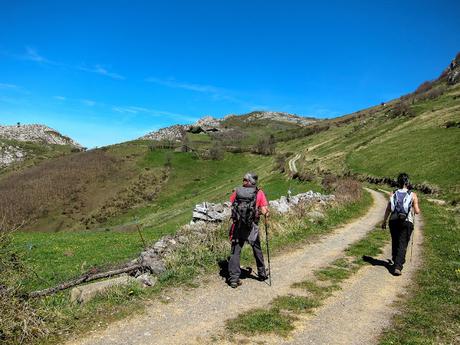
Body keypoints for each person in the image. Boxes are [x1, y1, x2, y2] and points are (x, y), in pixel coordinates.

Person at [227, 172, 269, 288]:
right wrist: (262, 213)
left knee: (235, 251)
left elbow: (231, 204)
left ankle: (234, 279)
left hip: (238, 226)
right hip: (252, 226)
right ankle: (262, 274)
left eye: (244, 179)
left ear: (247, 181)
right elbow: (265, 210)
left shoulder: (237, 191)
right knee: (257, 249)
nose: (243, 181)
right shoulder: (259, 192)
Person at [381, 173, 420, 276]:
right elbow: (417, 211)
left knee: (395, 241)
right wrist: (414, 204)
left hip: (393, 221)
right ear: (407, 182)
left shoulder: (393, 193)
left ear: (398, 182)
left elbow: (388, 209)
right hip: (407, 222)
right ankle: (398, 266)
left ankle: (395, 259)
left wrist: (384, 221)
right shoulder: (413, 194)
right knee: (403, 243)